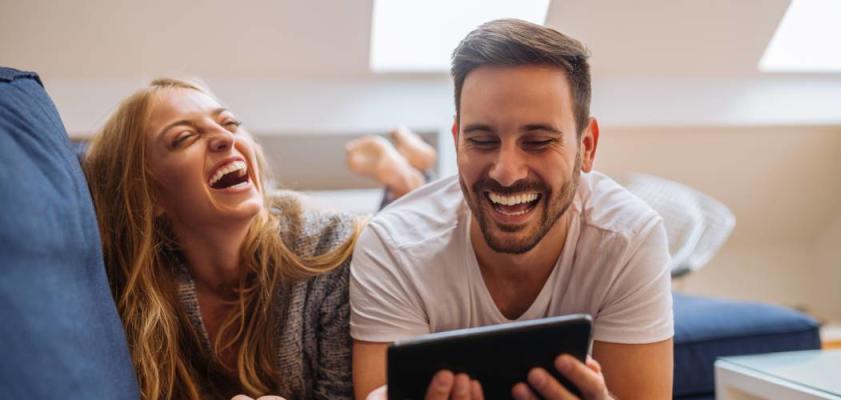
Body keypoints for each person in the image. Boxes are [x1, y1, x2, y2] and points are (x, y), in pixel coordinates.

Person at [350, 19, 675, 399]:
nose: (506, 172)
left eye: (537, 141)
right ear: (457, 143)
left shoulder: (630, 239)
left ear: (586, 146)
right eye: (482, 140)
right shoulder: (392, 247)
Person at [83, 78, 366, 400]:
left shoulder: (331, 252)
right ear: (149, 195)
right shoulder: (128, 299)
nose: (224, 138)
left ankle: (404, 177)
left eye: (230, 122)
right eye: (184, 137)